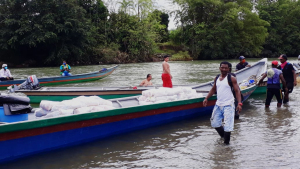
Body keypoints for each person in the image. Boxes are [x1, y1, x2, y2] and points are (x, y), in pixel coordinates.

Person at [203, 61, 242, 145]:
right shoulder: (217, 77)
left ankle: (226, 146)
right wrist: (206, 98)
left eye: (226, 68)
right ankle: (223, 137)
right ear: (219, 68)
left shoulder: (231, 78)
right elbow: (214, 89)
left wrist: (239, 103)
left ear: (229, 69)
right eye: (222, 67)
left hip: (229, 104)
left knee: (228, 126)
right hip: (218, 104)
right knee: (215, 123)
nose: (224, 69)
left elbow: (237, 90)